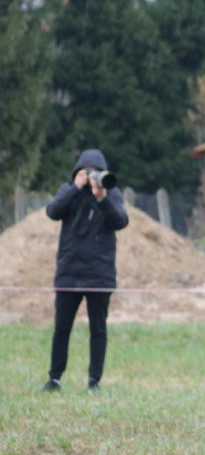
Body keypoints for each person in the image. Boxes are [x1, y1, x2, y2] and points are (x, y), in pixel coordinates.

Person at [42, 149, 129, 392]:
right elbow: (52, 211)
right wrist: (75, 187)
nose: (92, 176)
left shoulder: (111, 193)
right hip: (69, 272)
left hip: (99, 274)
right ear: (77, 172)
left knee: (98, 329)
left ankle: (94, 381)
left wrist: (102, 197)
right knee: (61, 327)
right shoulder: (68, 190)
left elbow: (121, 221)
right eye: (87, 172)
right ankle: (55, 378)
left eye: (96, 172)